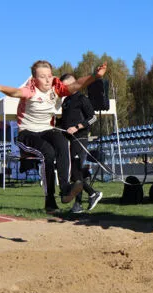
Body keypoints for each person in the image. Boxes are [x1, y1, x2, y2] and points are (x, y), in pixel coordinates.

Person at [0, 60, 107, 213]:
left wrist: (95, 76)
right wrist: (0, 87)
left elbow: (76, 85)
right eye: (42, 77)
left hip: (48, 129)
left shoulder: (56, 87)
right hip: (27, 132)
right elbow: (16, 92)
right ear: (35, 79)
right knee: (48, 154)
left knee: (62, 142)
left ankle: (66, 189)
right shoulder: (31, 90)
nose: (47, 80)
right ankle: (50, 202)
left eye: (49, 76)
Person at [59, 73, 103, 213]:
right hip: (69, 140)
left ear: (73, 84)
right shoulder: (66, 101)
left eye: (66, 86)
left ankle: (90, 195)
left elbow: (93, 118)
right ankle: (83, 201)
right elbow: (64, 121)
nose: (64, 89)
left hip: (80, 139)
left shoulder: (82, 99)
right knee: (75, 173)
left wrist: (77, 127)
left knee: (77, 172)